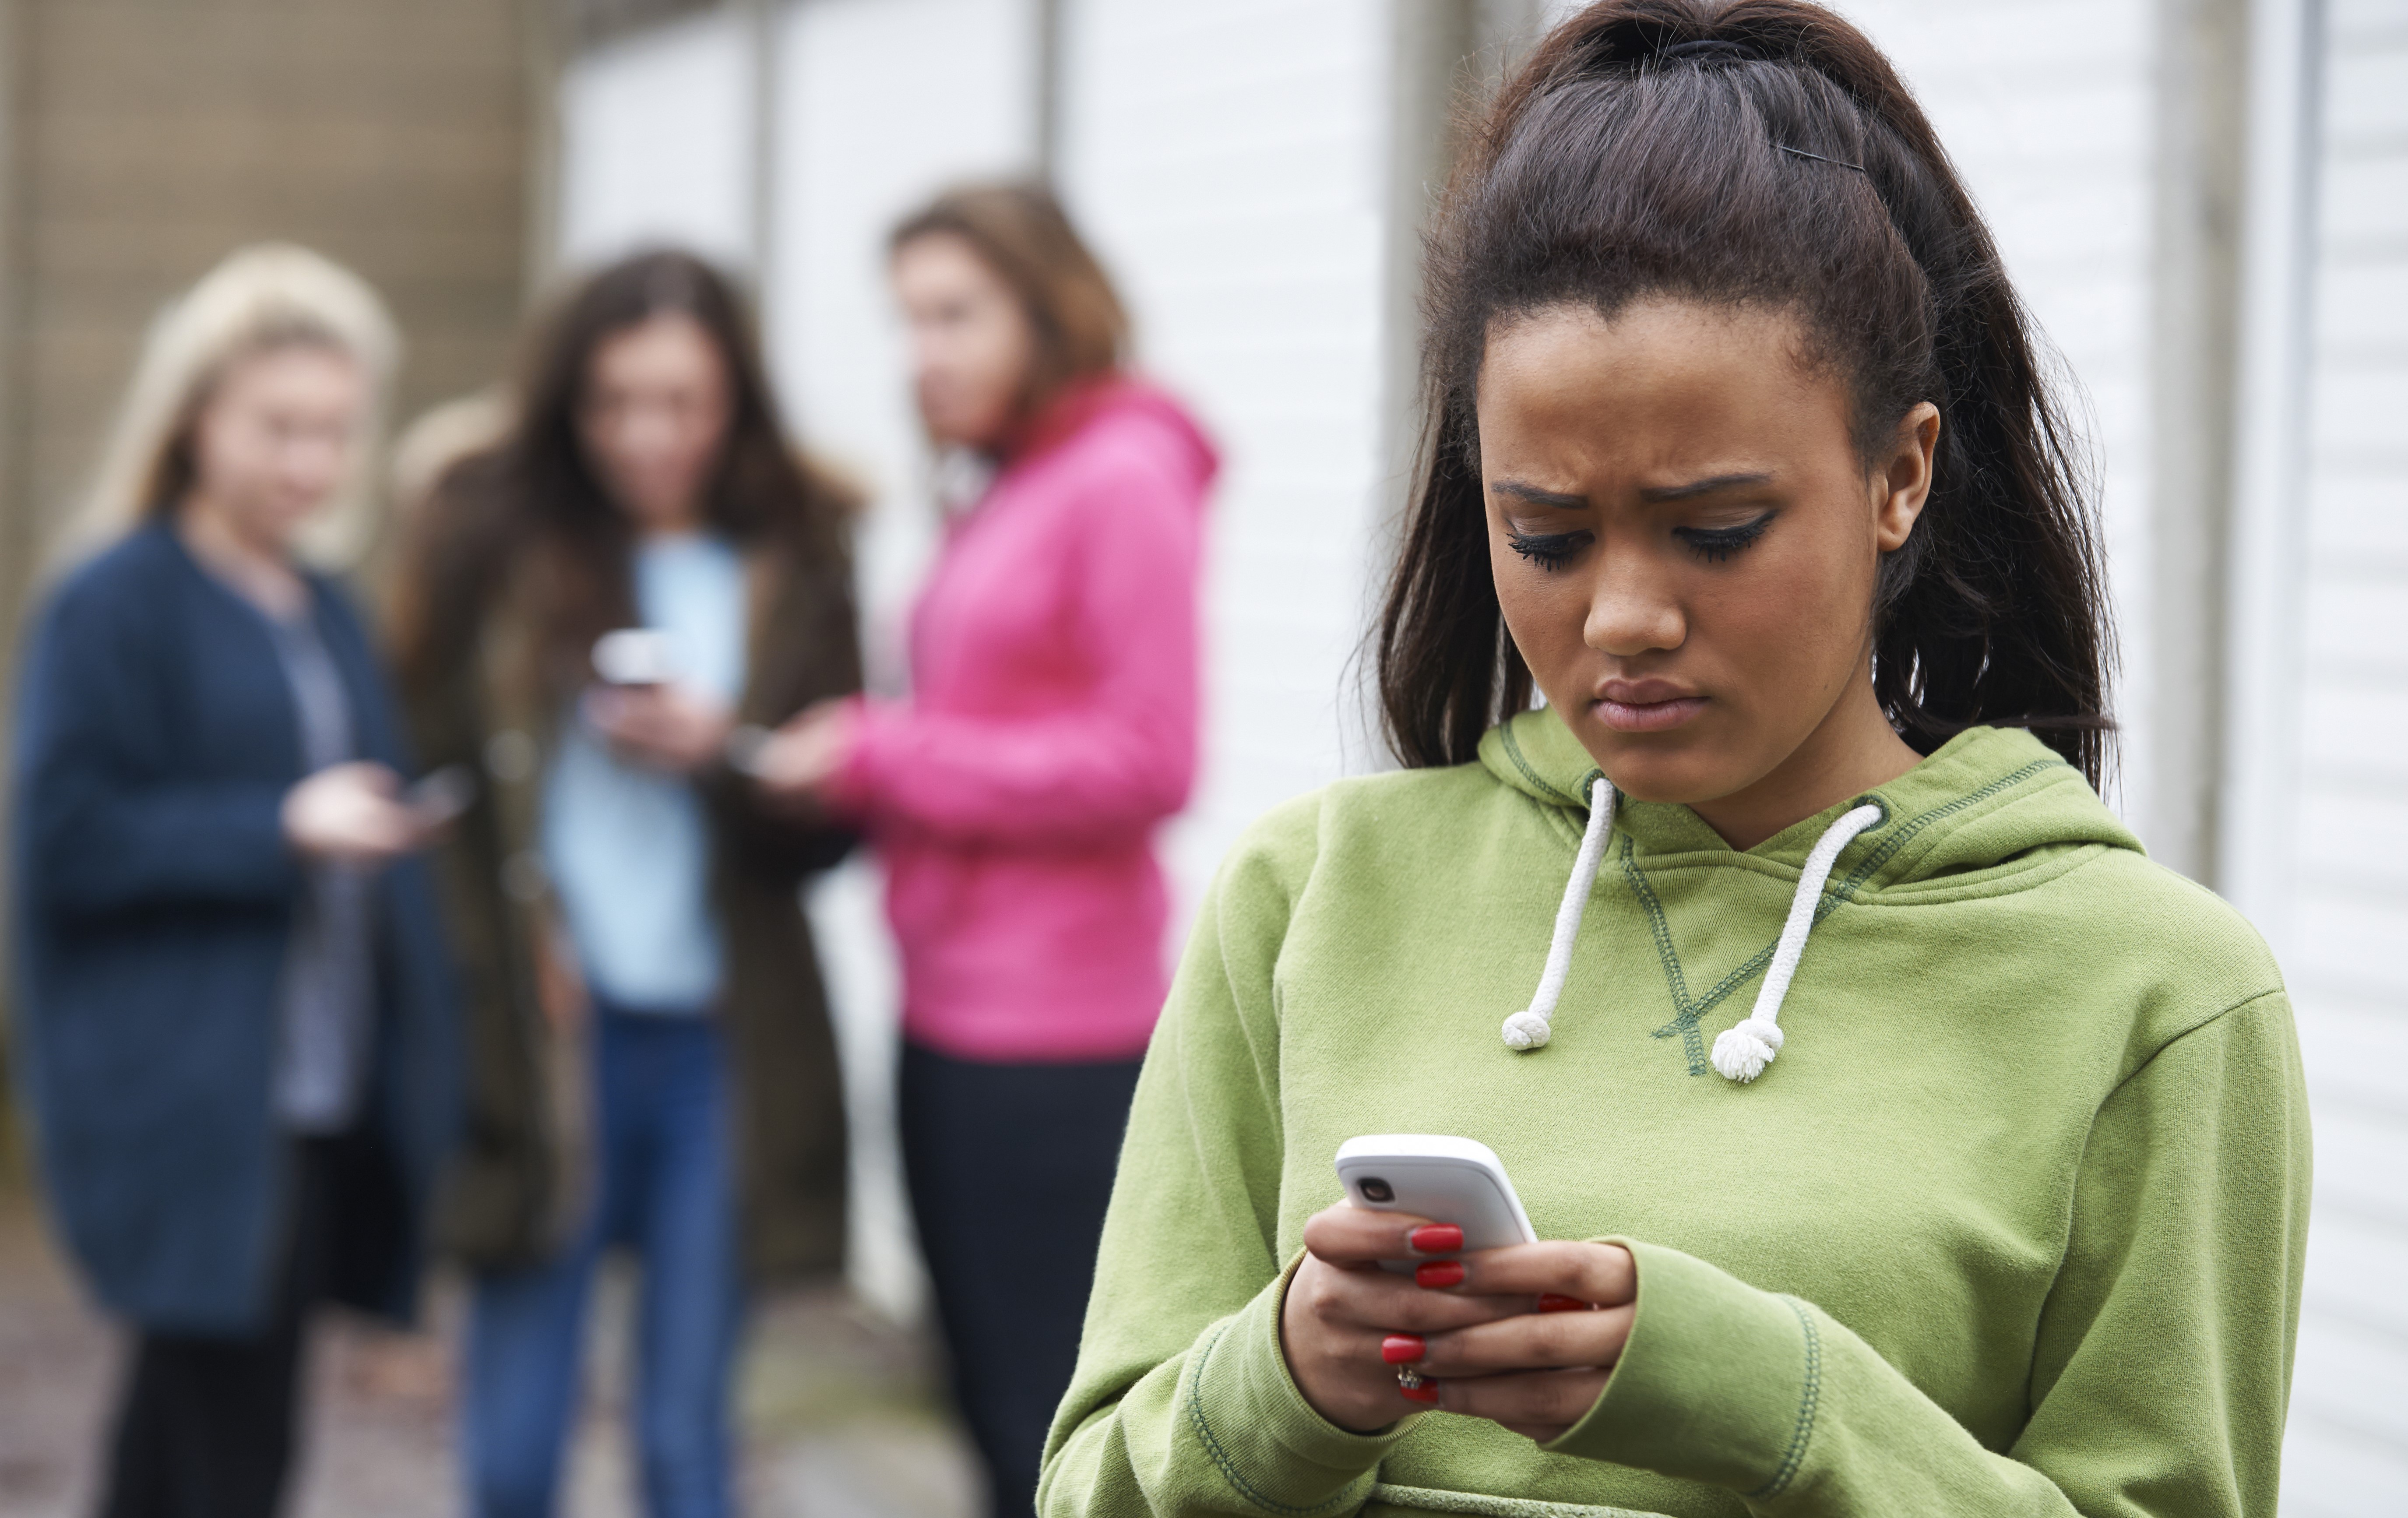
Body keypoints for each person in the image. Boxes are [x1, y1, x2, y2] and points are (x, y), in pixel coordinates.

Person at [1038, 6, 2310, 1517]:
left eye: (1715, 529)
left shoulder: (2153, 997)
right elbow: (1090, 1484)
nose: (1623, 617)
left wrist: (1778, 1406)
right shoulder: (1308, 897)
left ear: (1898, 473)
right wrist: (1291, 1379)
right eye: (1547, 535)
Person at [750, 183, 1216, 1518]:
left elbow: (1148, 755)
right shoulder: (1012, 476)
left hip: (1056, 1044)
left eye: (956, 313)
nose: (925, 353)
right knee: (978, 1406)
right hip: (948, 1012)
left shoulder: (1120, 477)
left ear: (1046, 304)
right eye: (907, 322)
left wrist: (888, 753)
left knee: (1047, 1428)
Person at [392, 249, 860, 1518]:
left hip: (721, 1039)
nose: (647, 434)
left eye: (682, 401)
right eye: (613, 401)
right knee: (509, 1450)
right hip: (550, 1036)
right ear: (567, 402)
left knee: (684, 1442)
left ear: (734, 401)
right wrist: (500, 954)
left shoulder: (800, 552)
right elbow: (423, 776)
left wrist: (729, 752)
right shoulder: (490, 537)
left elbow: (830, 829)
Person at [8, 244, 460, 1518]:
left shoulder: (320, 599)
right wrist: (276, 825)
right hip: (198, 1103)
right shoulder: (114, 600)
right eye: (278, 428)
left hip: (317, 1086)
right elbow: (66, 838)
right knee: (231, 1438)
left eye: (334, 433)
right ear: (195, 413)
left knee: (187, 1420)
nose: (309, 465)